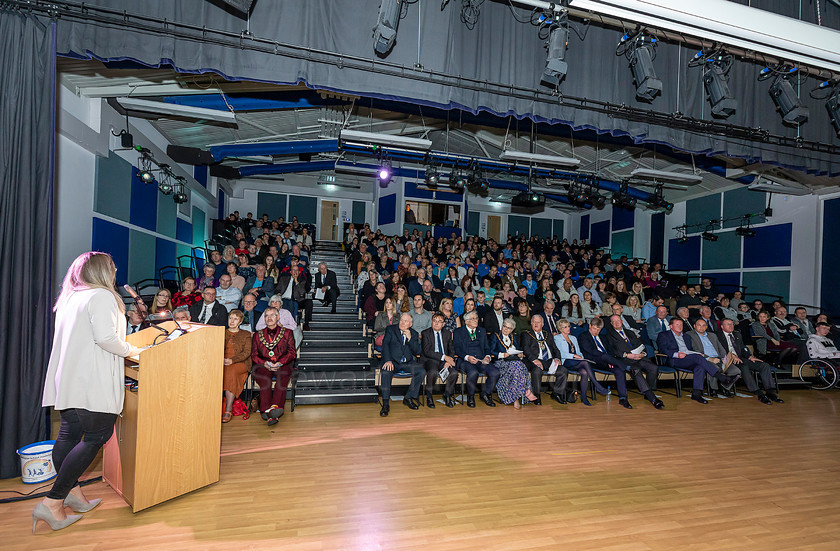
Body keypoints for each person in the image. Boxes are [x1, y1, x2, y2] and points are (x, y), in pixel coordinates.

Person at [38, 252, 142, 532]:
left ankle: (72, 493)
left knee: (68, 434)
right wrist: (136, 351)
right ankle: (53, 501)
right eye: (113, 266)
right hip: (90, 379)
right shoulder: (101, 296)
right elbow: (106, 339)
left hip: (69, 377)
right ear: (102, 272)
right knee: (97, 436)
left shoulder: (70, 298)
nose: (116, 269)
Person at [657, 318, 738, 404]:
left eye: (681, 325)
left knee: (700, 367)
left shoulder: (686, 336)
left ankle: (696, 394)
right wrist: (677, 354)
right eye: (677, 325)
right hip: (674, 359)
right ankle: (721, 377)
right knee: (697, 357)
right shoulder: (664, 335)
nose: (680, 327)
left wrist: (698, 354)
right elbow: (663, 349)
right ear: (671, 326)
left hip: (687, 358)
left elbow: (689, 350)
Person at [604, 315, 664, 409]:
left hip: (639, 357)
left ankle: (647, 391)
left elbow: (641, 345)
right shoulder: (609, 335)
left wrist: (642, 354)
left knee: (654, 368)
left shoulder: (630, 332)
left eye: (618, 320)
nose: (617, 323)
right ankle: (652, 398)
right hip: (625, 360)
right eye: (614, 321)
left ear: (622, 321)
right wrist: (627, 355)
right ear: (611, 324)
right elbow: (612, 350)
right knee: (636, 371)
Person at [716, 318, 782, 404]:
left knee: (764, 365)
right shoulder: (717, 335)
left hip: (741, 358)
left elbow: (743, 348)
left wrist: (750, 356)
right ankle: (758, 393)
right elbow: (718, 349)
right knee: (744, 367)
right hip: (728, 359)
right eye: (728, 324)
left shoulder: (737, 334)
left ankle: (770, 392)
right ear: (722, 326)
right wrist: (731, 355)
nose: (731, 326)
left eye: (732, 324)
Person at [251, 306, 297, 426]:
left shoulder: (288, 332)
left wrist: (280, 362)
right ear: (264, 318)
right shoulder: (257, 335)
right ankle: (270, 411)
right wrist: (265, 363)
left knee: (282, 378)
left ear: (277, 317)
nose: (269, 318)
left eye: (272, 315)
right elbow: (254, 355)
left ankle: (272, 409)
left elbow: (292, 352)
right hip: (263, 364)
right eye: (267, 315)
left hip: (283, 363)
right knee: (264, 379)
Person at [576, 317, 634, 409]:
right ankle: (626, 367)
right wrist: (607, 358)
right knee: (606, 356)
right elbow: (591, 351)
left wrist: (610, 360)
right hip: (593, 361)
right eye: (594, 329)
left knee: (619, 371)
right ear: (590, 326)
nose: (596, 331)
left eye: (598, 330)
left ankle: (623, 398)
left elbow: (611, 351)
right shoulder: (583, 336)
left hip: (608, 361)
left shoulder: (603, 337)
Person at [553, 319, 610, 406]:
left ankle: (584, 396)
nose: (568, 328)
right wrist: (574, 356)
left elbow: (579, 352)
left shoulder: (573, 338)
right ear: (560, 329)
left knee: (584, 372)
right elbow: (560, 353)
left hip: (577, 361)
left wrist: (581, 358)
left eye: (568, 326)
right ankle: (597, 386)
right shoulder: (557, 338)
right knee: (585, 363)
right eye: (565, 327)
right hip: (566, 361)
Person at [379, 313, 425, 416]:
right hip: (393, 361)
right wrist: (387, 360)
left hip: (407, 362)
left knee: (421, 371)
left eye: (405, 321)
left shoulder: (413, 333)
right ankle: (385, 404)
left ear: (411, 324)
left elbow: (417, 351)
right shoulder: (391, 329)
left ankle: (408, 397)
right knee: (386, 372)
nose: (402, 323)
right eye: (401, 320)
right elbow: (385, 345)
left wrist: (410, 339)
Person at [489, 318, 540, 408]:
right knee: (519, 366)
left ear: (512, 330)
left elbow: (518, 348)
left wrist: (520, 354)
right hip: (501, 362)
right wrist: (502, 354)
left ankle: (516, 398)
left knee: (518, 367)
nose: (505, 329)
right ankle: (526, 391)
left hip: (513, 361)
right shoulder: (495, 335)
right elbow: (491, 351)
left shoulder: (513, 337)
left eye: (508, 328)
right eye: (504, 326)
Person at [687, 319, 741, 397]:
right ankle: (713, 389)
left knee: (736, 371)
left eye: (704, 325)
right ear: (694, 326)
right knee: (714, 368)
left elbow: (720, 348)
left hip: (719, 359)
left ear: (706, 327)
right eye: (699, 325)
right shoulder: (690, 335)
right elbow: (695, 350)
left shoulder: (712, 335)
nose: (702, 327)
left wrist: (724, 357)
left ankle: (724, 387)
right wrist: (709, 358)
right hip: (705, 359)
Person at [521, 315, 568, 404]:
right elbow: (526, 349)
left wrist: (557, 358)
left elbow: (555, 349)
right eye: (534, 322)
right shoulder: (526, 334)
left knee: (563, 370)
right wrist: (534, 359)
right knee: (537, 370)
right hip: (534, 361)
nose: (536, 324)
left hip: (549, 361)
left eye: (538, 322)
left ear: (542, 324)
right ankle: (537, 395)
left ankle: (557, 393)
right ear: (531, 323)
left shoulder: (547, 334)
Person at [453, 311, 497, 408]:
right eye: (473, 319)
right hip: (465, 360)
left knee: (495, 372)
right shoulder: (458, 332)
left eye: (476, 318)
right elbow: (457, 349)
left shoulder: (482, 331)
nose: (476, 320)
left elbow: (487, 348)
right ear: (466, 321)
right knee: (473, 373)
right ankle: (471, 397)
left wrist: (487, 356)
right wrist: (467, 357)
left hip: (481, 360)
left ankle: (485, 393)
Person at [420, 313, 459, 408]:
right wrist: (444, 357)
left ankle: (447, 394)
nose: (436, 323)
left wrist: (448, 360)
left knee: (454, 373)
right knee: (432, 372)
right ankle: (429, 396)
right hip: (430, 360)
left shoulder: (447, 333)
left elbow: (452, 349)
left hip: (444, 361)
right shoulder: (425, 333)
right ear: (431, 322)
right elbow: (427, 351)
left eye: (439, 321)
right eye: (434, 321)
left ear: (443, 324)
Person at [222, 310, 252, 422]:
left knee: (230, 372)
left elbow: (246, 353)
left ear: (240, 321)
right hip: (221, 361)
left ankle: (228, 409)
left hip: (241, 363)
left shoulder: (246, 334)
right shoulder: (222, 333)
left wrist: (232, 360)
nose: (232, 321)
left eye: (235, 319)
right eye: (230, 318)